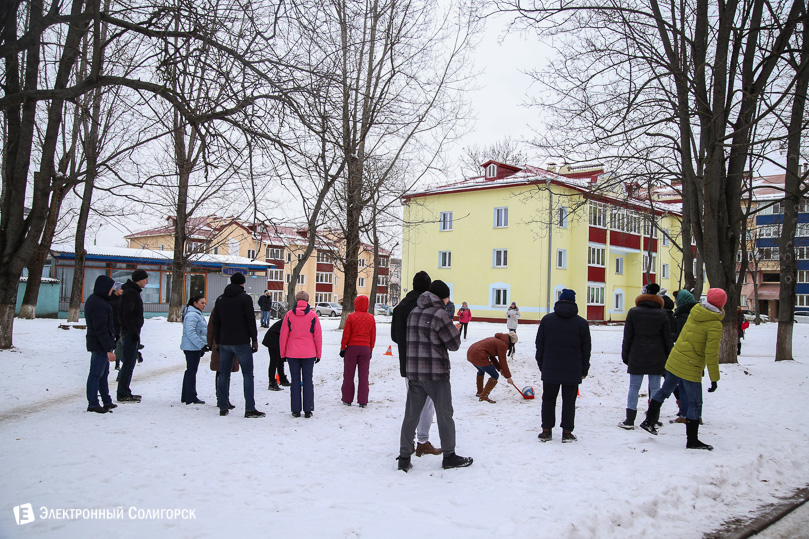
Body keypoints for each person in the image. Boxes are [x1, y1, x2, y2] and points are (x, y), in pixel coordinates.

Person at [397, 280, 472, 472]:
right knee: (445, 415)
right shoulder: (440, 315)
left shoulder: (414, 312)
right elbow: (453, 345)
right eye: (447, 297)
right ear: (442, 297)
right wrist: (455, 331)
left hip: (414, 373)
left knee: (410, 416)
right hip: (436, 374)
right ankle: (449, 456)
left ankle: (404, 457)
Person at [639, 288, 726, 451]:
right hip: (690, 365)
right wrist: (715, 378)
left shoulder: (696, 311)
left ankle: (649, 421)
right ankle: (692, 440)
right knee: (695, 402)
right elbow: (711, 353)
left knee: (665, 390)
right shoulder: (714, 323)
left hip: (676, 358)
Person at [391, 271, 442, 458]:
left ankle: (409, 442)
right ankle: (422, 441)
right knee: (428, 404)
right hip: (427, 362)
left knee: (412, 403)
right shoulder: (428, 308)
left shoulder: (400, 307)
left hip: (407, 362)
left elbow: (394, 336)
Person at [535, 288, 591, 443]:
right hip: (573, 369)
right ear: (573, 302)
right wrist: (584, 370)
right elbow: (586, 348)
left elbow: (540, 344)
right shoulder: (581, 323)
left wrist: (542, 364)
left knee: (548, 399)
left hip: (550, 366)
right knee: (569, 401)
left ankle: (546, 431)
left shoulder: (547, 320)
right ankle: (567, 432)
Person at [618, 283, 672, 429]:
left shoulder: (633, 312)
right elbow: (667, 338)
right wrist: (669, 355)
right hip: (657, 355)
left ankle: (630, 419)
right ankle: (653, 418)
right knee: (655, 388)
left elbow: (627, 336)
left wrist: (625, 355)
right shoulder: (662, 314)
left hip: (637, 354)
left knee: (634, 387)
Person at [211, 272, 265, 418]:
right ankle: (249, 408)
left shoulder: (220, 299)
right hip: (241, 342)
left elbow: (216, 321)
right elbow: (250, 320)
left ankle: (223, 406)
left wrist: (218, 340)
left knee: (224, 374)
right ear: (242, 283)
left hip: (224, 342)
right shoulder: (245, 299)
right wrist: (254, 340)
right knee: (247, 375)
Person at [280, 290, 322, 418]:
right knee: (308, 380)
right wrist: (318, 354)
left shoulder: (289, 315)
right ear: (307, 300)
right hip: (309, 353)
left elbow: (283, 336)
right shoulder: (313, 316)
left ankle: (296, 409)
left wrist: (283, 354)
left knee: (295, 381)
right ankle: (308, 409)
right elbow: (318, 336)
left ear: (296, 300)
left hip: (292, 353)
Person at [84, 275, 118, 414]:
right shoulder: (99, 303)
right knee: (96, 374)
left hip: (99, 343)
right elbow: (101, 328)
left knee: (103, 374)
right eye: (111, 287)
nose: (112, 290)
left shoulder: (98, 300)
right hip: (99, 345)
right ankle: (93, 403)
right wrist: (108, 348)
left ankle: (106, 400)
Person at [340, 295, 376, 407]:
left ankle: (347, 399)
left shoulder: (351, 317)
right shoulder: (371, 318)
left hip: (351, 348)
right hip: (365, 348)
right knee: (364, 376)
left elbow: (346, 334)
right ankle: (363, 401)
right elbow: (373, 336)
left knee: (348, 375)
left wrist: (342, 348)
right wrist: (370, 349)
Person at [117, 269, 148, 403]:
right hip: (129, 332)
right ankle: (123, 393)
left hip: (131, 332)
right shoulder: (131, 292)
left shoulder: (132, 291)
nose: (147, 282)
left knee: (130, 363)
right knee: (128, 363)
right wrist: (133, 331)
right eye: (145, 279)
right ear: (140, 280)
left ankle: (125, 391)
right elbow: (127, 314)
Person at [669, 289, 698, 424]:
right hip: (695, 355)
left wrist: (670, 335)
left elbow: (681, 336)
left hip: (685, 355)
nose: (675, 302)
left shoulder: (682, 316)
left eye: (676, 299)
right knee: (693, 387)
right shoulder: (696, 313)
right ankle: (695, 415)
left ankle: (686, 414)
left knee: (683, 386)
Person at [467, 331, 516, 403]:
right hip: (478, 355)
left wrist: (500, 369)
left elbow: (492, 356)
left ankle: (480, 392)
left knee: (481, 370)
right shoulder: (502, 344)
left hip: (470, 353)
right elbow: (503, 361)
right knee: (495, 375)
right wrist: (508, 377)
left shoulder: (498, 339)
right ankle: (483, 396)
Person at [207, 306, 237, 410]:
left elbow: (211, 326)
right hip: (222, 342)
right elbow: (211, 326)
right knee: (222, 371)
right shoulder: (224, 307)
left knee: (223, 371)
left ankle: (222, 399)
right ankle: (222, 399)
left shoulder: (219, 307)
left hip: (221, 342)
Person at [180, 295, 208, 405]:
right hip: (192, 348)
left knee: (190, 371)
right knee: (191, 372)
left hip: (194, 347)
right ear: (194, 303)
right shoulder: (192, 315)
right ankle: (190, 396)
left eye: (205, 303)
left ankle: (186, 395)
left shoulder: (196, 314)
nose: (204, 305)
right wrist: (201, 345)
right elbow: (190, 332)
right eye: (202, 303)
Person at [262, 318, 289, 391]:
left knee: (280, 359)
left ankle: (282, 378)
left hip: (277, 339)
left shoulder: (291, 319)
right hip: (272, 339)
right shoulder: (291, 320)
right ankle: (272, 382)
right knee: (274, 361)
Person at [109, 281, 124, 371]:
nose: (122, 290)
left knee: (119, 345)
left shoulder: (122, 299)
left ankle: (117, 363)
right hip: (112, 324)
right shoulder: (110, 299)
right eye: (121, 288)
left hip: (120, 325)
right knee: (111, 343)